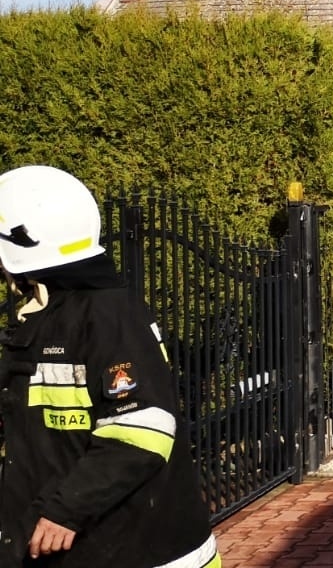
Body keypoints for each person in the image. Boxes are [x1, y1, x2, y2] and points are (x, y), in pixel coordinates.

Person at [0, 165, 218, 567]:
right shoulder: (49, 316)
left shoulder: (106, 315)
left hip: (143, 551)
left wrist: (67, 509)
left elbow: (143, 426)